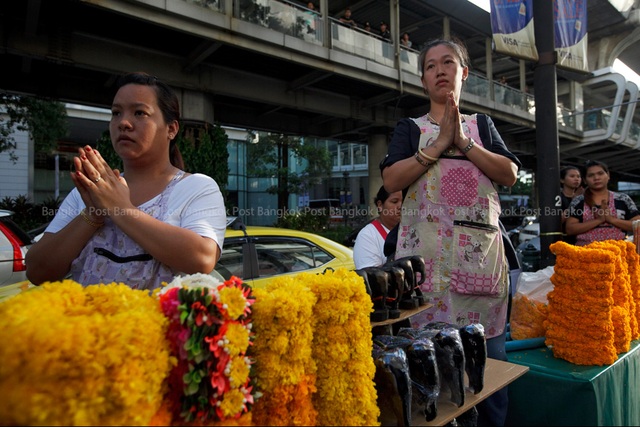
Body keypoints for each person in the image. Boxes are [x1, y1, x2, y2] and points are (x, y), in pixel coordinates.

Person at [380, 38, 521, 427]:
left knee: (487, 369)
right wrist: (438, 144)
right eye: (430, 66)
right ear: (424, 80)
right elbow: (392, 177)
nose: (439, 70)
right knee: (431, 369)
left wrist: (462, 141)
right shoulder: (411, 128)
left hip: (478, 273)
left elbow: (508, 173)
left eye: (448, 63)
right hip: (426, 276)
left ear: (464, 74)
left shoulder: (482, 126)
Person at [26, 72, 227, 291]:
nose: (123, 123)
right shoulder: (90, 192)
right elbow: (37, 270)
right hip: (82, 324)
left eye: (140, 112)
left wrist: (120, 208)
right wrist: (93, 214)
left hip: (154, 325)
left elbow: (202, 258)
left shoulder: (197, 188)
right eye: (116, 113)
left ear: (171, 129)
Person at [565, 160, 640, 246]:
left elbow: (637, 225)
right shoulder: (579, 201)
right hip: (585, 253)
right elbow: (570, 229)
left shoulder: (622, 199)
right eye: (591, 175)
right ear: (585, 180)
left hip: (619, 254)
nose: (596, 178)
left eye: (600, 173)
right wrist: (598, 220)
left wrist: (611, 220)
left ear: (608, 175)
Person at [353, 186, 402, 269]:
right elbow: (371, 275)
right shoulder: (367, 235)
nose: (400, 206)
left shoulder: (412, 231)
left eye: (404, 201)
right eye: (394, 202)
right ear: (380, 205)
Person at [559, 165, 584, 244]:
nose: (576, 179)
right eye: (572, 176)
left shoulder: (583, 198)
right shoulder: (558, 197)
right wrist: (574, 201)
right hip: (564, 238)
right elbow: (558, 221)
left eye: (578, 176)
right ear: (562, 180)